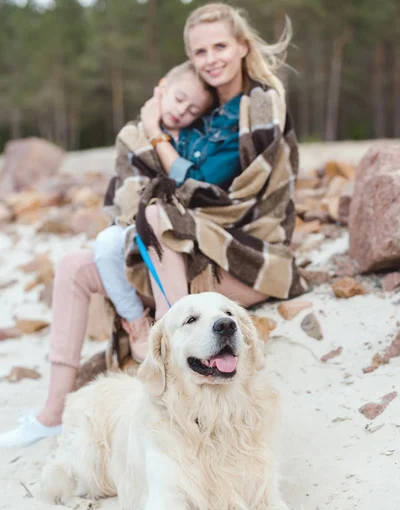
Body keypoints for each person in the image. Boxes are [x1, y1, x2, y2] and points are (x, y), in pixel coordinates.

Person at [0, 2, 305, 449]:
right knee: (72, 267)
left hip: (244, 253)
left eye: (221, 45)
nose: (211, 58)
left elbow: (203, 187)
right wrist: (155, 127)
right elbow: (141, 184)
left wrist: (154, 131)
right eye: (200, 51)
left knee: (160, 214)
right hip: (184, 250)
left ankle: (171, 348)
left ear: (242, 46)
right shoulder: (195, 111)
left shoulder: (258, 107)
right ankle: (51, 415)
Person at [94, 60, 214, 362]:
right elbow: (127, 182)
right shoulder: (132, 135)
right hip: (131, 214)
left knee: (161, 238)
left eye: (193, 110)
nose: (182, 111)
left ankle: (174, 319)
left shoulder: (192, 139)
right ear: (162, 88)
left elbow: (189, 180)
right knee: (106, 245)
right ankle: (137, 321)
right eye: (179, 99)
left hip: (170, 219)